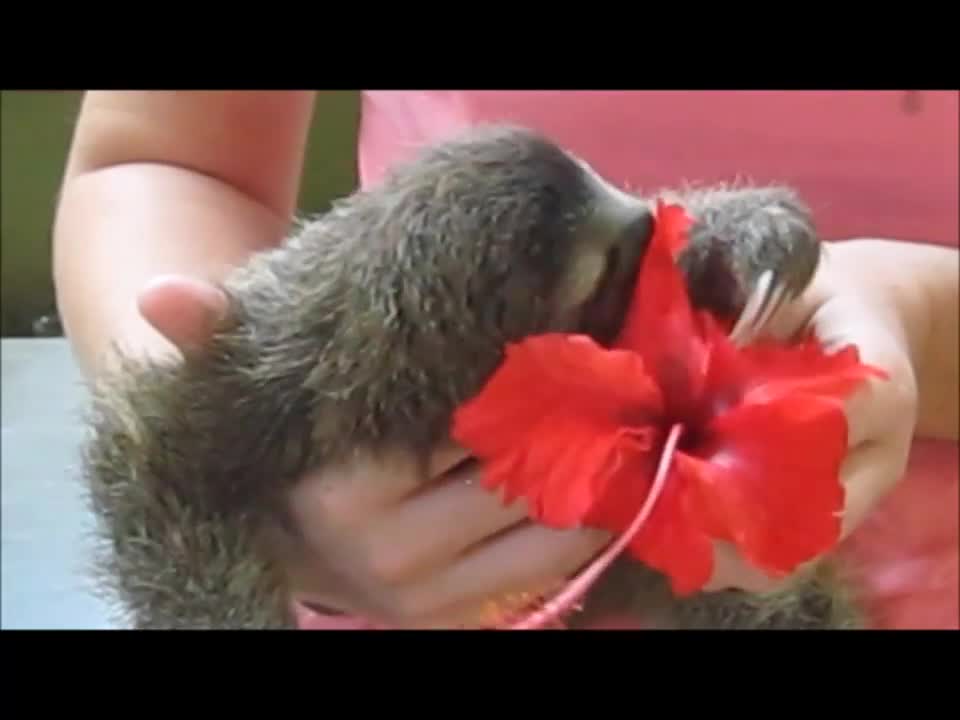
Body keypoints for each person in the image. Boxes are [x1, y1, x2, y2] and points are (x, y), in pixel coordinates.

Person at [52, 91, 959, 629]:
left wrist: (919, 318)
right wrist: (274, 506)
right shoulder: (293, 376)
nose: (660, 220)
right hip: (401, 584)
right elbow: (160, 161)